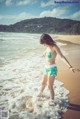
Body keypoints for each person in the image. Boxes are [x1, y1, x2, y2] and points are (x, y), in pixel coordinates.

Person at [38, 33, 79, 105]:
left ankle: (52, 99)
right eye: (43, 43)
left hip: (52, 68)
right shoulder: (46, 47)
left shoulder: (54, 47)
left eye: (44, 42)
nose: (44, 44)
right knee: (43, 83)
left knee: (49, 86)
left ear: (47, 40)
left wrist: (70, 66)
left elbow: (62, 56)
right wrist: (43, 54)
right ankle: (39, 94)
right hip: (46, 68)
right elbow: (46, 52)